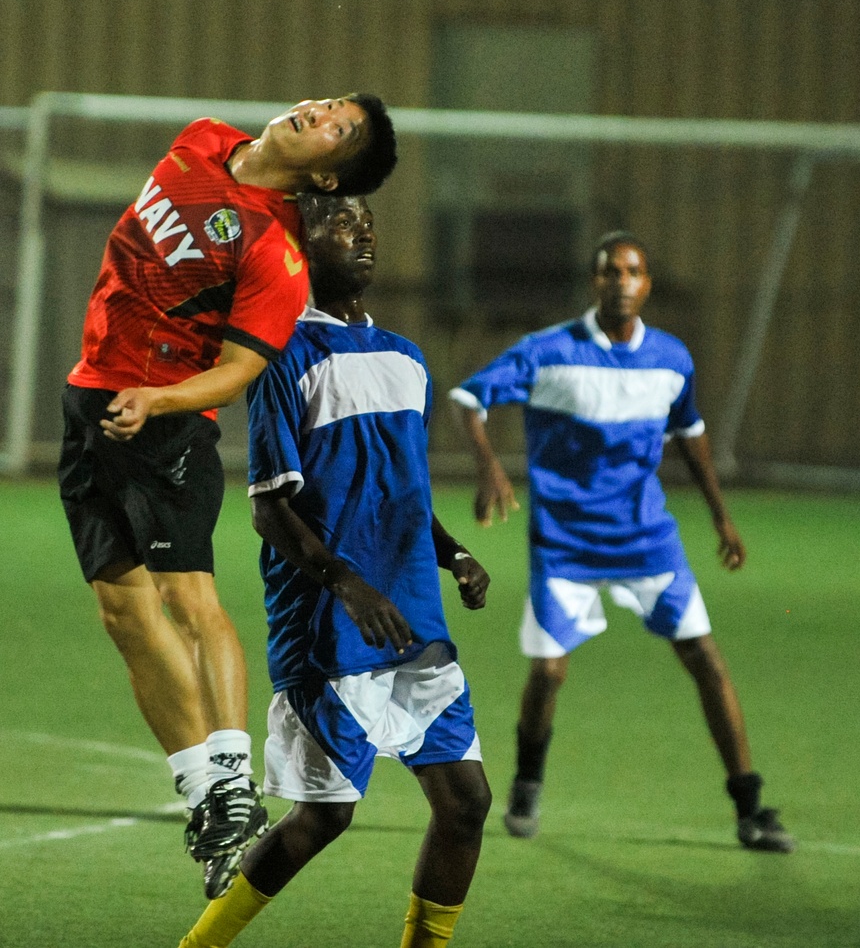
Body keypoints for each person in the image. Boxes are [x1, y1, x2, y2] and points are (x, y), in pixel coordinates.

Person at [57, 96, 398, 897]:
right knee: (121, 611)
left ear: (323, 171)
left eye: (337, 128)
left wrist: (159, 400)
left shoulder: (275, 253)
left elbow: (241, 371)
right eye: (329, 103)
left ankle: (236, 777)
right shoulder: (203, 140)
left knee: (189, 602)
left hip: (163, 430)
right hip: (89, 400)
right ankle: (208, 796)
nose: (316, 110)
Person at [177, 192, 492, 948]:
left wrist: (453, 554)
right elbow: (269, 509)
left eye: (369, 224)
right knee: (324, 816)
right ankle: (199, 946)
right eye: (341, 224)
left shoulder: (407, 358)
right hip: (330, 623)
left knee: (465, 801)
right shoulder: (284, 356)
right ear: (299, 246)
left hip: (413, 617)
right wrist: (347, 586)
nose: (363, 236)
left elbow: (402, 488)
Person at [449, 230, 795, 853]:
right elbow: (468, 399)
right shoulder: (548, 351)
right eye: (610, 271)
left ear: (647, 283)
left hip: (646, 539)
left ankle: (751, 806)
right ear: (595, 281)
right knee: (550, 672)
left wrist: (721, 517)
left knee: (706, 660)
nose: (621, 282)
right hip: (565, 542)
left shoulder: (671, 358)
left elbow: (690, 434)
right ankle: (529, 778)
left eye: (633, 271)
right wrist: (490, 467)